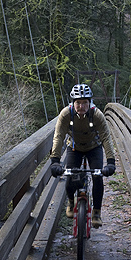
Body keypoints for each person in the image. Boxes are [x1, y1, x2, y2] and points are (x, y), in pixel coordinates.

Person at [50, 83, 116, 228]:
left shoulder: (97, 115)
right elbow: (58, 136)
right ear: (73, 103)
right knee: (71, 175)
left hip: (94, 147)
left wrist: (110, 162)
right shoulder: (66, 114)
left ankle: (97, 211)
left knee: (97, 176)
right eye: (78, 103)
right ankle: (71, 201)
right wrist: (55, 160)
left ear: (90, 102)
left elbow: (106, 137)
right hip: (75, 147)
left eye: (84, 102)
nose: (81, 106)